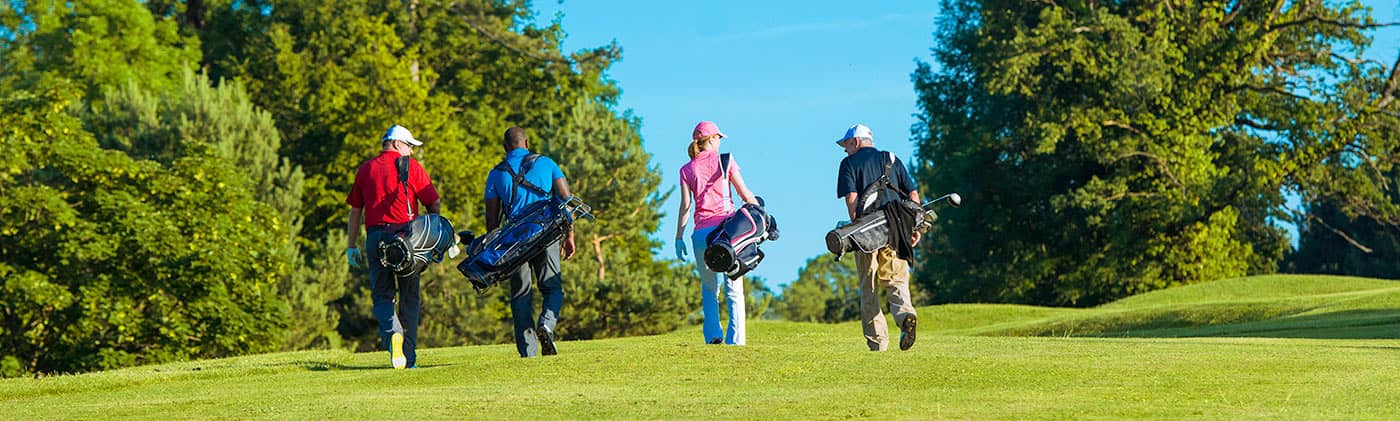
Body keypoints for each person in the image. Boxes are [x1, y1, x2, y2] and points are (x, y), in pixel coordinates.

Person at [346, 125, 442, 369]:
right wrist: (434, 233)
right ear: (398, 144)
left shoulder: (366, 169)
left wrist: (351, 245)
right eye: (410, 146)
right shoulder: (412, 168)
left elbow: (356, 210)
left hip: (376, 237)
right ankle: (408, 357)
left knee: (382, 296)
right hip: (407, 239)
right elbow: (433, 201)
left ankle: (393, 333)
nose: (411, 151)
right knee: (409, 297)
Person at [484, 126, 577, 358]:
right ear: (527, 143)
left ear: (506, 147)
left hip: (514, 242)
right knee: (552, 288)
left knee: (521, 295)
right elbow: (568, 202)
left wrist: (495, 255)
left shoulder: (496, 173)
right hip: (546, 234)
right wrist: (570, 235)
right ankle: (546, 325)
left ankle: (528, 352)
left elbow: (492, 219)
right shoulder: (547, 164)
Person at [835, 123, 921, 351]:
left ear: (856, 141)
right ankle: (905, 317)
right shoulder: (891, 158)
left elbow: (852, 202)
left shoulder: (848, 164)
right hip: (896, 228)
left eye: (846, 144)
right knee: (897, 281)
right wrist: (914, 227)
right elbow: (913, 195)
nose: (845, 149)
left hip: (867, 234)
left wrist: (856, 229)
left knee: (869, 287)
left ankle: (878, 342)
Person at [674, 121, 759, 345]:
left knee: (709, 288)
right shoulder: (726, 160)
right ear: (711, 139)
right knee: (734, 285)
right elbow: (744, 193)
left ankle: (712, 336)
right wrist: (761, 215)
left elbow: (685, 206)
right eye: (718, 138)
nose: (720, 142)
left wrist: (678, 237)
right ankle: (736, 341)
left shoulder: (686, 168)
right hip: (725, 233)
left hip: (700, 235)